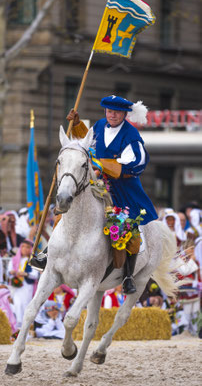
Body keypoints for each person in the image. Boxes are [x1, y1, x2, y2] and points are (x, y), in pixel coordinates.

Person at [32, 95, 158, 294]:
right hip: (95, 183)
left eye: (116, 112)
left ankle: (127, 275)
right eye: (109, 111)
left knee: (128, 227)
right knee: (67, 210)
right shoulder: (100, 125)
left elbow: (136, 162)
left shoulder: (131, 135)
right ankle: (47, 253)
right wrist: (77, 123)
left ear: (124, 113)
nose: (112, 115)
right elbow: (88, 142)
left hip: (121, 188)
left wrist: (102, 165)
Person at [8, 239, 39, 328]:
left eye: (28, 247)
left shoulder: (33, 260)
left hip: (27, 286)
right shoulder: (14, 260)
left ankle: (26, 326)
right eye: (23, 247)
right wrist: (12, 273)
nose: (25, 249)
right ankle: (18, 325)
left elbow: (35, 275)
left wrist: (25, 274)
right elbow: (9, 273)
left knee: (26, 304)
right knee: (17, 304)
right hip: (16, 285)